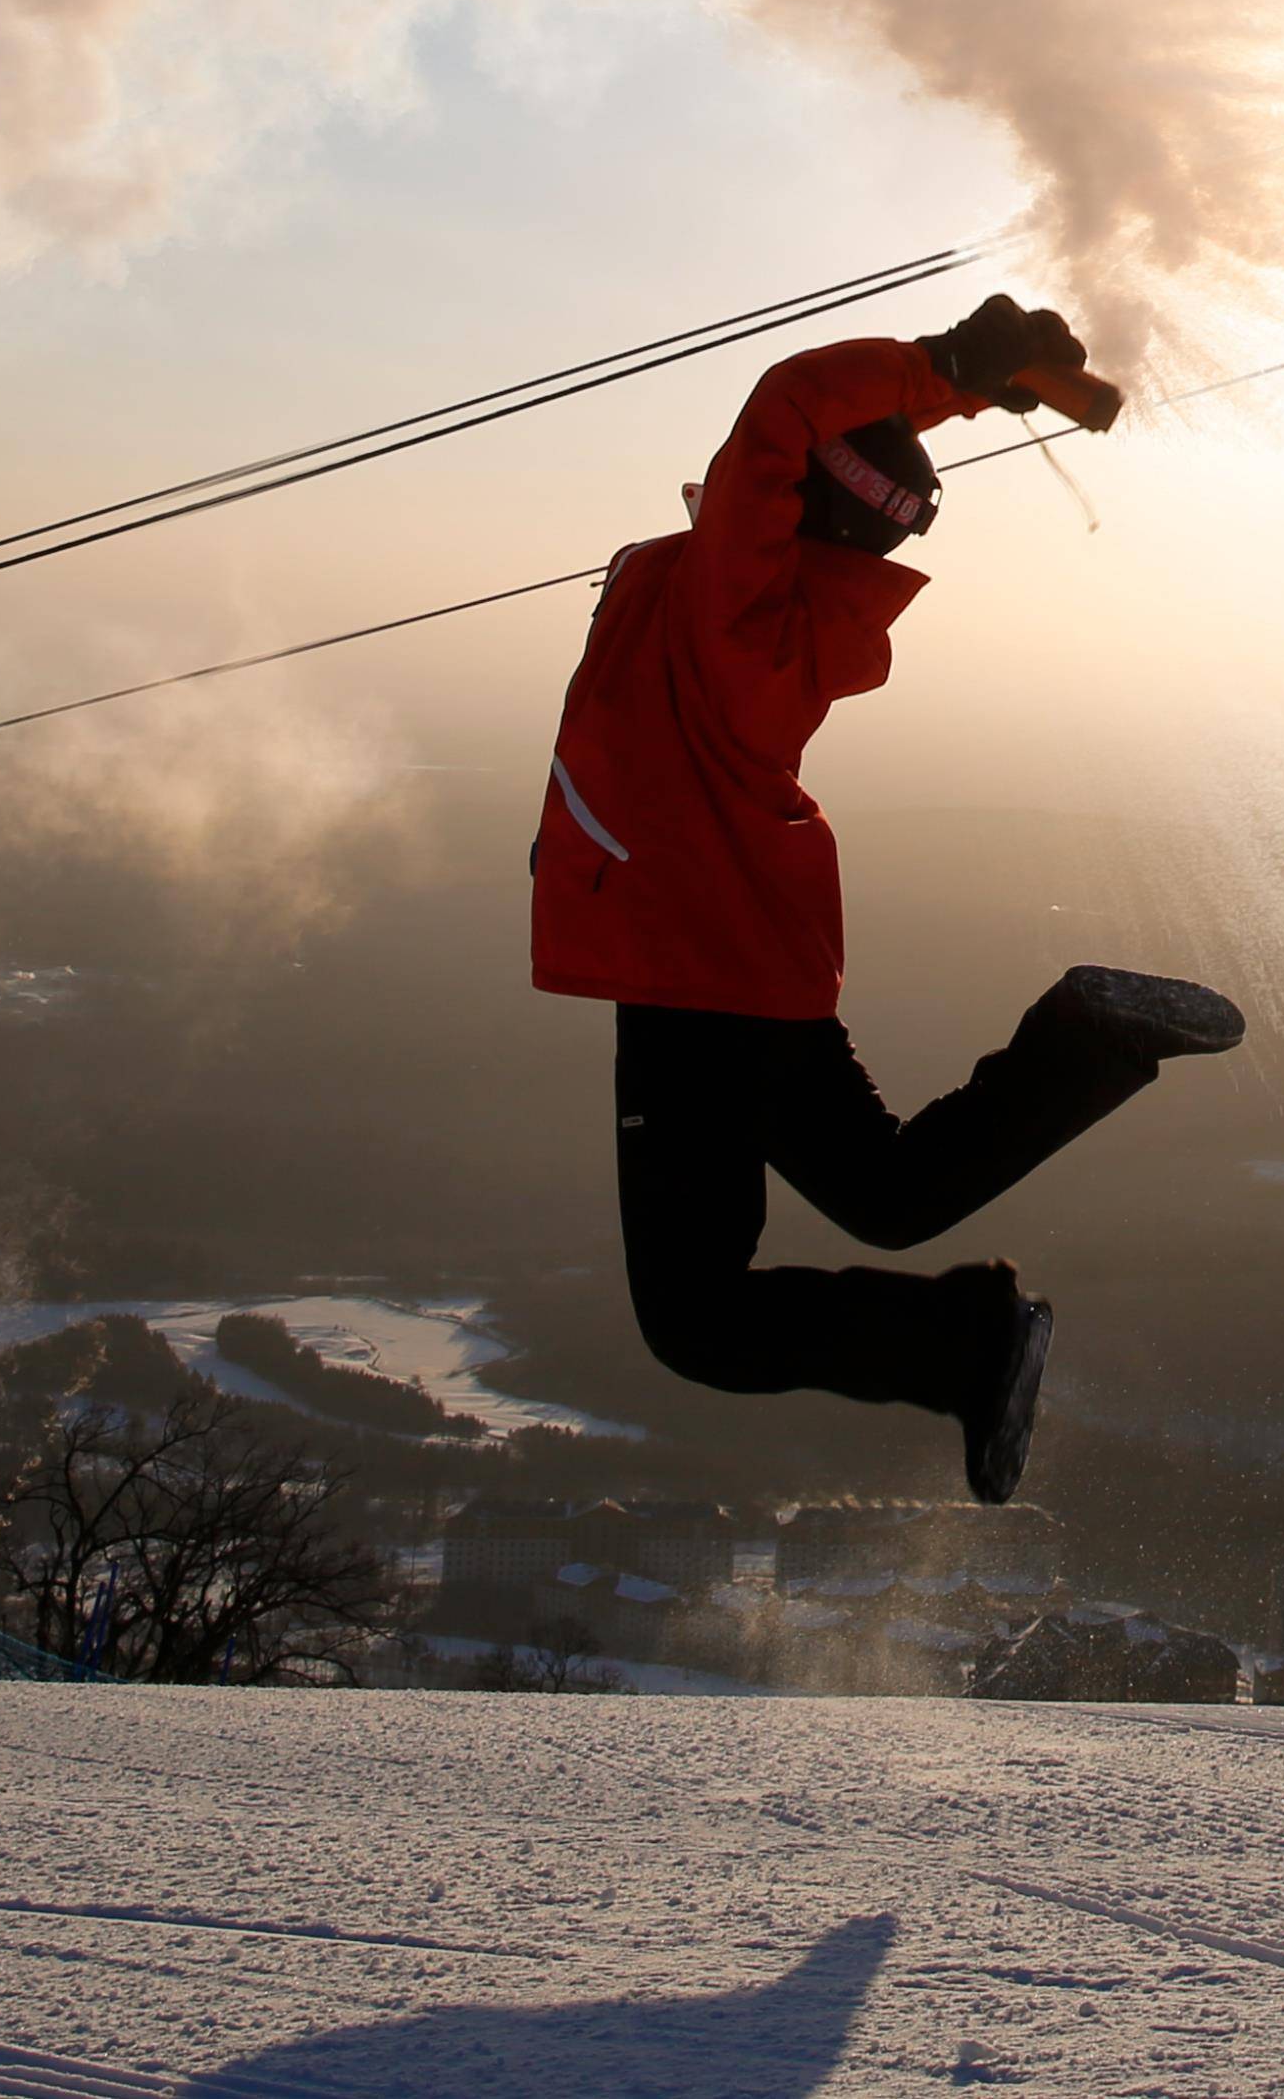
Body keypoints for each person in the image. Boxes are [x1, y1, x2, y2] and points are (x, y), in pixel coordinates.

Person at [533, 292, 1244, 1504]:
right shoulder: (754, 613)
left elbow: (783, 407)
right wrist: (964, 388)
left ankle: (974, 1326)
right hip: (730, 973)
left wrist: (947, 369)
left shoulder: (733, 616)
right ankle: (1077, 1070)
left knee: (697, 1318)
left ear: (790, 509)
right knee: (889, 1194)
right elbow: (795, 455)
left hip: (692, 984)